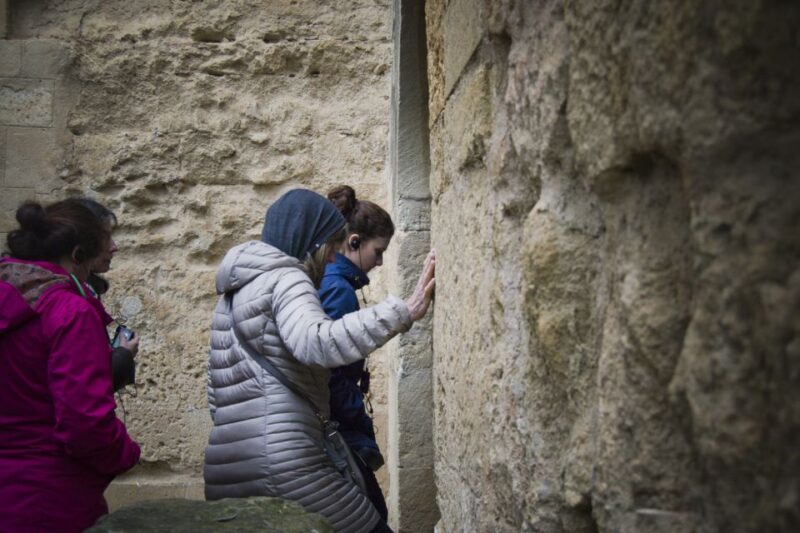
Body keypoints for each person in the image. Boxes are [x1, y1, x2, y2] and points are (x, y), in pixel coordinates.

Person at [204, 189, 435, 533]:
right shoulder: (288, 277)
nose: (331, 260)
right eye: (329, 247)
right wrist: (402, 311)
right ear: (310, 241)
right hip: (285, 463)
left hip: (226, 468)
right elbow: (316, 342)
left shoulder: (234, 294)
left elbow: (215, 394)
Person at [0, 198, 141, 532]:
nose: (114, 247)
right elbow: (85, 425)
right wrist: (126, 453)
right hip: (48, 498)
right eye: (107, 239)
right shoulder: (69, 312)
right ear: (78, 254)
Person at [319, 185, 395, 523]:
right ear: (353, 242)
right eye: (377, 251)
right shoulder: (339, 290)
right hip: (340, 431)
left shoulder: (335, 282)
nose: (379, 262)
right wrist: (358, 418)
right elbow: (330, 372)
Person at [77, 198, 139, 391]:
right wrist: (123, 356)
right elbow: (84, 387)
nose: (114, 247)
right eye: (106, 238)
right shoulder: (71, 304)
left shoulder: (84, 291)